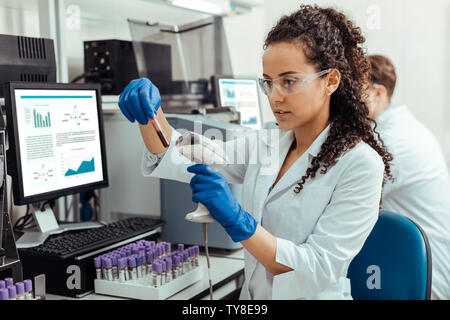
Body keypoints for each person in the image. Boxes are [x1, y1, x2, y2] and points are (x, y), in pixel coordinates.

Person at [118, 5, 393, 299]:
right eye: (268, 82)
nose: (274, 97)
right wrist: (150, 115)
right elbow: (183, 154)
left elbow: (317, 269)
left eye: (289, 81)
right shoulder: (270, 142)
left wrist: (240, 222)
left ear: (331, 81)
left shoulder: (361, 164)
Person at [366, 54, 450, 299]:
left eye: (354, 91)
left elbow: (340, 199)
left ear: (378, 93)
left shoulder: (393, 141)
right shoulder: (401, 129)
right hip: (411, 264)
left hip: (425, 276)